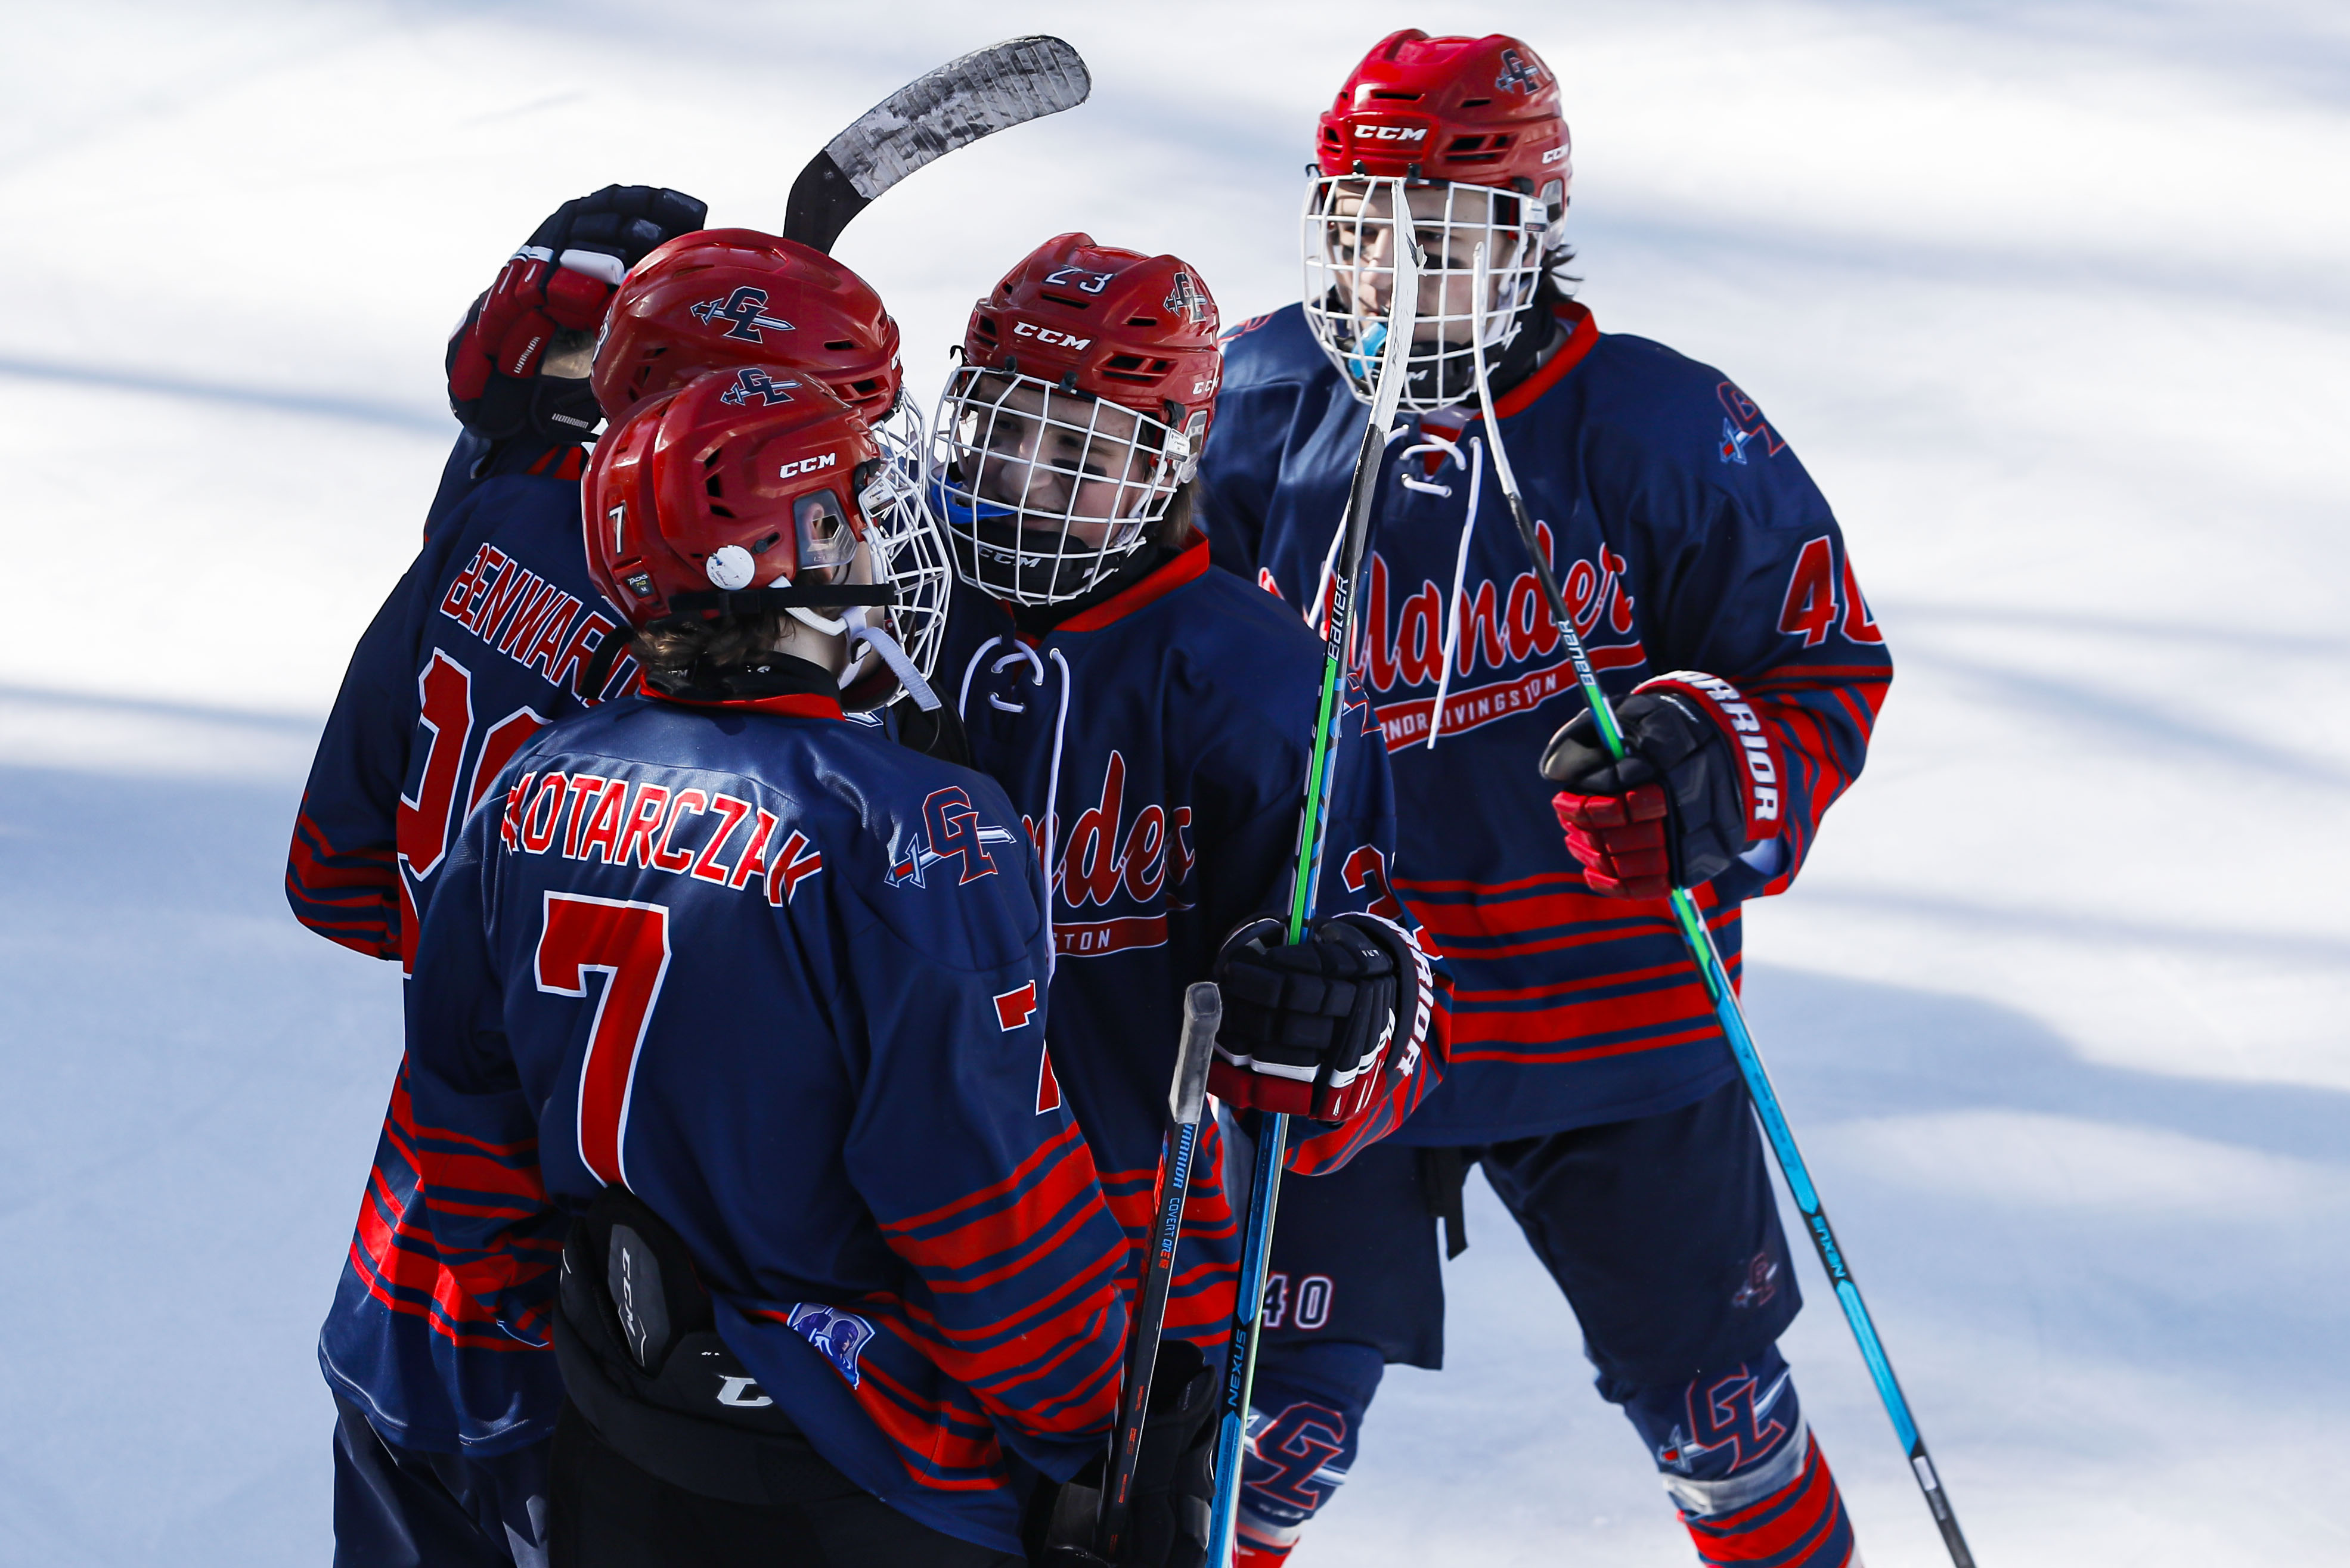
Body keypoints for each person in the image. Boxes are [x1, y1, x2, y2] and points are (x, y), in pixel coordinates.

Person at [1197, 30, 1891, 1568]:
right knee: (1268, 1435)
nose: (1394, 268)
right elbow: (1138, 662)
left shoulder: (1658, 423)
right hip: (1336, 1018)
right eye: (1362, 227)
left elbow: (1821, 657)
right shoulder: (1242, 403)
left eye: (1442, 235)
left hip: (1618, 1016)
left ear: (1533, 233)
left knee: (1721, 1414)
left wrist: (1713, 765)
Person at [290, 206, 950, 1566]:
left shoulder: (497, 522)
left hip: (408, 1251)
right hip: (592, 1333)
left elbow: (337, 878)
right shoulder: (748, 711)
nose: (862, 488)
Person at [403, 368, 1133, 1566]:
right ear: (762, 554)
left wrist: (566, 1319)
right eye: (842, 513)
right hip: (862, 1465)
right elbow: (970, 1185)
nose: (874, 539)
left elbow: (467, 1113)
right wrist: (1098, 1427)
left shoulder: (530, 782)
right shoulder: (913, 823)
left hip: (618, 1419)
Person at [924, 234, 1444, 1396]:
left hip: (1128, 1257)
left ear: (1171, 459)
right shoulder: (890, 603)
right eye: (1002, 426)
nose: (1024, 475)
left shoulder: (1263, 684)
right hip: (875, 1222)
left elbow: (1381, 1007)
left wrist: (1335, 1011)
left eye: (1079, 449)